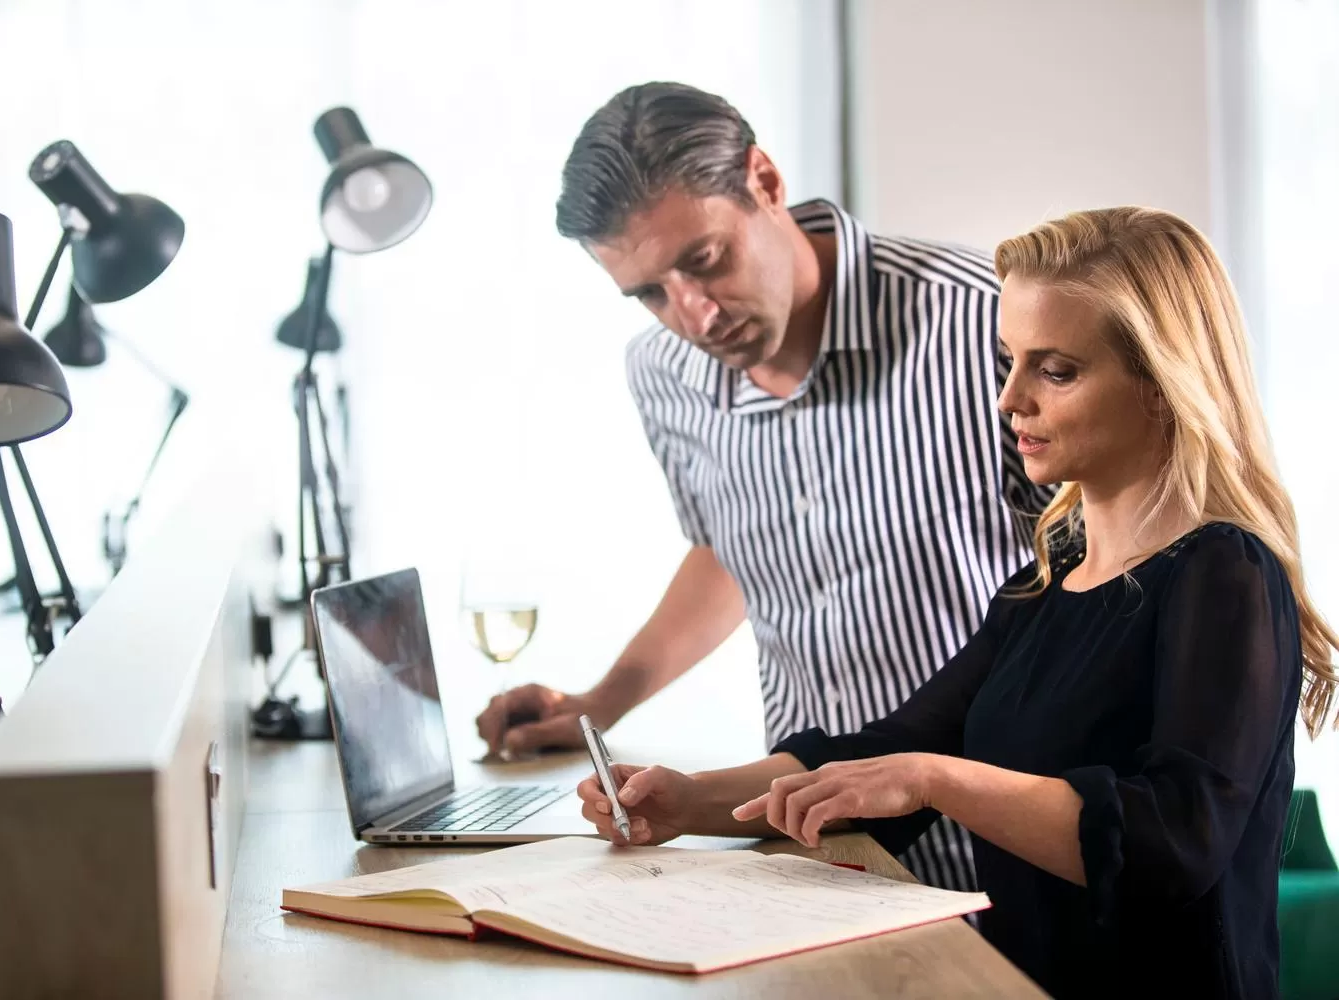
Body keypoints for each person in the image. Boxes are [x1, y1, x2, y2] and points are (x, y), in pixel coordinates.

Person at [576, 205, 1339, 999]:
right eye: (1010, 361)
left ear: (1160, 384)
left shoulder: (1226, 574)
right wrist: (690, 801)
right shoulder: (1049, 578)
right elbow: (898, 741)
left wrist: (938, 779)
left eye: (1057, 370)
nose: (1009, 400)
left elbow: (1176, 841)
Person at [475, 82, 1053, 891]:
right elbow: (732, 551)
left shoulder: (984, 325)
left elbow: (1112, 583)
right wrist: (600, 703)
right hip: (807, 846)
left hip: (1007, 850)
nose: (694, 316)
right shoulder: (664, 373)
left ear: (765, 182)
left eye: (703, 260)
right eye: (647, 293)